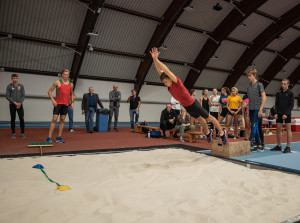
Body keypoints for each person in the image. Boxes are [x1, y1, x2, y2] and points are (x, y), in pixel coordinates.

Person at [150, 47, 227, 144]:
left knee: (209, 118)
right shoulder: (169, 86)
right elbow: (160, 72)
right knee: (201, 121)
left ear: (169, 78)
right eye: (164, 82)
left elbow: (166, 70)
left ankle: (222, 133)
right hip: (187, 107)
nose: (165, 84)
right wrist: (153, 59)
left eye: (165, 81)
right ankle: (208, 132)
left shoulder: (176, 81)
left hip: (193, 104)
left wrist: (157, 59)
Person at [47, 69, 73, 143]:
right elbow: (49, 91)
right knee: (54, 119)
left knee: (62, 120)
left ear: (68, 75)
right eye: (64, 74)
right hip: (58, 104)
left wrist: (72, 102)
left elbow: (71, 94)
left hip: (66, 104)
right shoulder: (57, 82)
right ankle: (49, 137)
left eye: (67, 74)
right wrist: (53, 100)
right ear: (62, 74)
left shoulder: (71, 84)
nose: (65, 76)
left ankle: (59, 137)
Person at [271, 79, 294, 153]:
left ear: (288, 84)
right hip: (279, 114)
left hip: (287, 114)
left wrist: (286, 114)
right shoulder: (279, 93)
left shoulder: (291, 93)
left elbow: (291, 105)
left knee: (288, 130)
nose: (283, 85)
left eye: (284, 84)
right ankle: (279, 146)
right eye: (282, 84)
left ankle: (288, 147)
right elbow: (276, 104)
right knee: (278, 129)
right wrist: (276, 113)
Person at [246, 68, 266, 152]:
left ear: (254, 76)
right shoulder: (249, 86)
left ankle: (249, 143)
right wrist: (247, 110)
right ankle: (259, 145)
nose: (248, 77)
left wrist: (261, 109)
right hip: (251, 109)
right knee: (255, 127)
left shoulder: (259, 85)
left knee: (253, 126)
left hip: (257, 109)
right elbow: (249, 99)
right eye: (248, 76)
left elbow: (264, 97)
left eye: (250, 75)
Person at [6, 73, 26, 139]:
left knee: (21, 119)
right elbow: (7, 96)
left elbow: (23, 95)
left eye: (16, 78)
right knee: (12, 119)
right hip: (12, 105)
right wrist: (14, 103)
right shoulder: (9, 86)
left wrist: (19, 103)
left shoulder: (21, 86)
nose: (15, 79)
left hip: (20, 105)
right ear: (12, 79)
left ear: (18, 78)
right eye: (14, 78)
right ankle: (13, 133)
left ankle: (22, 133)